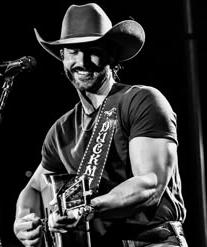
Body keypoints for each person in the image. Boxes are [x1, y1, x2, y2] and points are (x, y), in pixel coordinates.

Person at [13, 3, 188, 247]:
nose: (82, 61)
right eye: (73, 51)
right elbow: (34, 188)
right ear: (62, 57)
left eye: (92, 49)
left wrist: (88, 209)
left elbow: (150, 184)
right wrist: (23, 222)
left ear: (112, 54)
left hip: (152, 241)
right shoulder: (62, 129)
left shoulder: (142, 100)